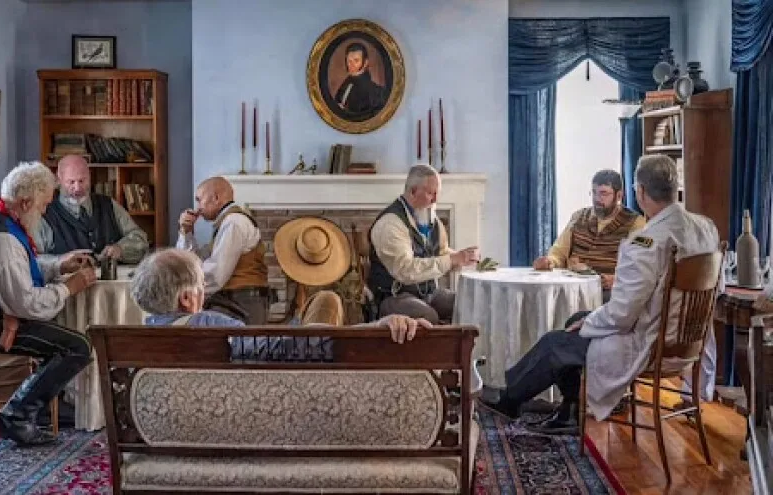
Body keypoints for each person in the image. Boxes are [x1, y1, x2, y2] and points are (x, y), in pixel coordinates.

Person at [478, 154, 718, 435]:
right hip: (688, 341)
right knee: (576, 321)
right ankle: (570, 410)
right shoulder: (706, 228)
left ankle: (509, 400)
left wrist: (590, 323)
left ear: (638, 191)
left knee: (557, 342)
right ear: (674, 186)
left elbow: (622, 314)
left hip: (650, 345)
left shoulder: (646, 241)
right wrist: (588, 319)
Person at [0, 161, 97, 445]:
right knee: (78, 346)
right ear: (26, 202)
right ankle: (17, 415)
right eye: (44, 205)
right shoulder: (2, 240)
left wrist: (58, 266)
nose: (45, 212)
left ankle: (39, 407)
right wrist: (69, 288)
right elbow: (26, 304)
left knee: (64, 335)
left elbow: (15, 275)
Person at [131, 249, 430, 359]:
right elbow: (291, 346)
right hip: (299, 362)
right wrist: (376, 328)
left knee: (322, 302)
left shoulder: (138, 341)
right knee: (328, 299)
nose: (203, 295)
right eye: (199, 289)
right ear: (186, 299)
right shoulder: (208, 326)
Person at [368, 164, 479, 324]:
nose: (436, 200)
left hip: (428, 293)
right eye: (430, 193)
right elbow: (405, 270)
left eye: (437, 193)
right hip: (394, 296)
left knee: (470, 305)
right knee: (428, 316)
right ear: (413, 191)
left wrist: (465, 258)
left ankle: (463, 348)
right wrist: (452, 260)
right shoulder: (390, 224)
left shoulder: (431, 219)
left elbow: (440, 253)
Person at [533, 169, 645, 302]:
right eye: (594, 192)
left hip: (607, 293)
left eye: (603, 194)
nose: (597, 199)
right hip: (573, 289)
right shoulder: (578, 217)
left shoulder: (636, 223)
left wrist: (616, 279)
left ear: (619, 196)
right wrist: (549, 262)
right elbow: (559, 252)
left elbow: (639, 267)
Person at [176, 176, 269, 325]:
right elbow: (192, 261)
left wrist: (186, 292)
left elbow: (216, 273)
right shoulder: (225, 223)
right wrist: (186, 232)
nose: (198, 206)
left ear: (216, 198)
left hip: (241, 302)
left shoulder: (234, 222)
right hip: (234, 300)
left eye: (199, 199)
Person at [34, 154, 149, 264]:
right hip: (67, 282)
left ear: (90, 176)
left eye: (82, 181)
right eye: (71, 182)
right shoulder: (46, 213)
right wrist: (61, 261)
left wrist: (120, 250)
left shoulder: (109, 205)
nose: (77, 188)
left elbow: (140, 239)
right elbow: (36, 258)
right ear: (58, 180)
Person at [333, 42, 387, 120]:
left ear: (365, 63)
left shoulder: (374, 91)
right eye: (349, 61)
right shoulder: (346, 83)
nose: (351, 65)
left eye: (356, 60)